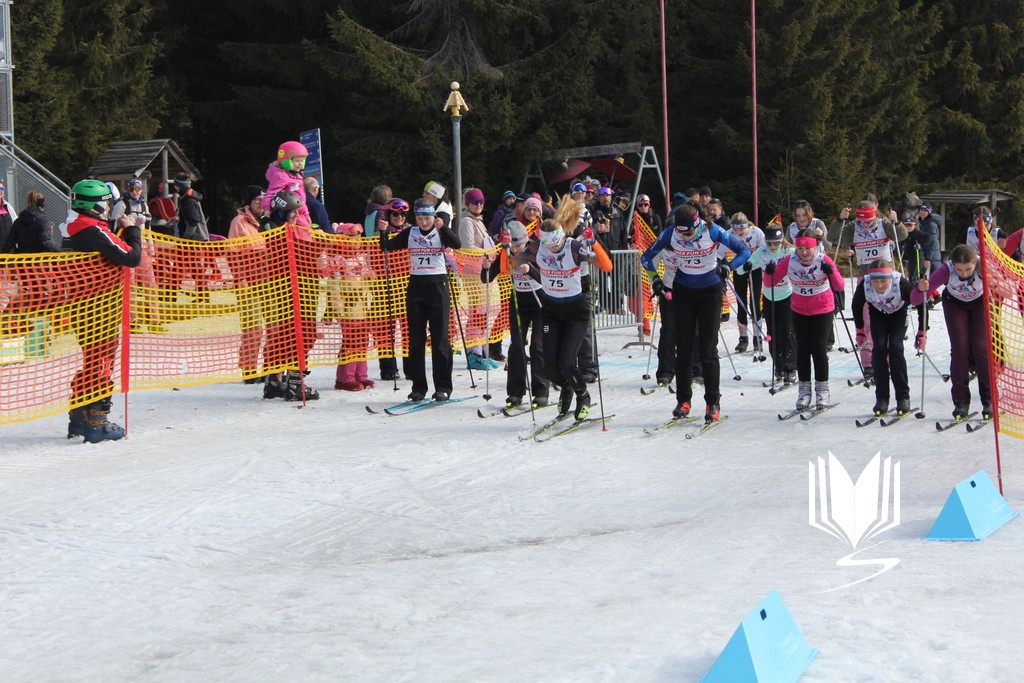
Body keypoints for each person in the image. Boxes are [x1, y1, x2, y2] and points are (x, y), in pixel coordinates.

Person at [641, 201, 751, 422]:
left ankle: (712, 402)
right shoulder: (670, 233)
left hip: (710, 293)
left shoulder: (712, 230)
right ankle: (683, 400)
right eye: (681, 234)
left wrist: (728, 267)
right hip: (683, 293)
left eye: (689, 233)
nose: (685, 238)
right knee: (683, 349)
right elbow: (646, 258)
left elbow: (744, 251)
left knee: (708, 350)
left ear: (697, 224)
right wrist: (656, 280)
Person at [65, 179, 143, 442]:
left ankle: (79, 418)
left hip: (83, 306)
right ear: (96, 205)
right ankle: (97, 422)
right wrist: (133, 230)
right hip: (99, 308)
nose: (109, 207)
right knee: (101, 363)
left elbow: (110, 248)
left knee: (91, 361)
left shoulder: (75, 228)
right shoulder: (92, 231)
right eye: (106, 203)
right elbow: (131, 257)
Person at [516, 197, 595, 420]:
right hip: (552, 311)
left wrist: (594, 243)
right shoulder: (538, 245)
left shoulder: (573, 246)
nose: (551, 249)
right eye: (547, 246)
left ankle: (583, 395)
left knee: (567, 362)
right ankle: (566, 387)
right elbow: (517, 261)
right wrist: (514, 259)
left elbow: (604, 261)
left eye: (554, 245)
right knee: (550, 367)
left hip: (575, 310)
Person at [379, 198, 462, 402]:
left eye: (427, 218)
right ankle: (418, 387)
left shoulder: (439, 231)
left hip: (438, 286)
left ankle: (443, 386)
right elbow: (387, 247)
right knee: (416, 341)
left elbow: (457, 244)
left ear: (434, 217)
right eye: (420, 218)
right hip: (416, 287)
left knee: (440, 340)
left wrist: (444, 229)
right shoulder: (411, 233)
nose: (424, 222)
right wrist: (382, 231)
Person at [763, 228, 845, 410]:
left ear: (815, 246)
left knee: (818, 349)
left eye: (808, 248)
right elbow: (770, 283)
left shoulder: (823, 259)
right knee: (802, 350)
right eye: (800, 248)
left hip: (822, 309)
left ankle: (822, 390)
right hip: (799, 310)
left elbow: (839, 285)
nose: (804, 252)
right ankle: (804, 391)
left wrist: (831, 272)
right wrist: (769, 272)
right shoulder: (789, 260)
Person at [912, 244, 992, 420]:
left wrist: (997, 281)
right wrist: (920, 288)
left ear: (975, 263)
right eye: (959, 270)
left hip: (980, 303)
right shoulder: (945, 270)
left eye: (968, 269)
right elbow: (915, 299)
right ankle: (961, 401)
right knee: (959, 349)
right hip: (955, 304)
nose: (964, 274)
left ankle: (989, 400)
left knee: (981, 348)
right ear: (953, 265)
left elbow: (1006, 291)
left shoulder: (983, 266)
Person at [259, 190, 321, 402]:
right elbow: (295, 255)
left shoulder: (280, 228)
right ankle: (295, 382)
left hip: (294, 289)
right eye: (291, 212)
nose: (296, 215)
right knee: (302, 334)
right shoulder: (278, 232)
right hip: (295, 291)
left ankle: (274, 379)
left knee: (286, 335)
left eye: (297, 211)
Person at [836, 200, 906, 378]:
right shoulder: (853, 227)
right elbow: (834, 238)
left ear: (874, 214)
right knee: (867, 321)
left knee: (889, 318)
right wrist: (839, 220)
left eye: (868, 221)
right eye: (862, 221)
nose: (865, 225)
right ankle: (869, 362)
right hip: (866, 278)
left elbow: (901, 235)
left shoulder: (884, 224)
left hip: (887, 277)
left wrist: (896, 221)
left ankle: (888, 360)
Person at [486, 219, 549, 408]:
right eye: (512, 246)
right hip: (518, 302)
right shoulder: (505, 253)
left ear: (526, 241)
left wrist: (530, 270)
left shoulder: (536, 251)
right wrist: (486, 266)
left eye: (519, 245)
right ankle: (515, 392)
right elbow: (487, 278)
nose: (515, 250)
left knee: (537, 346)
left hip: (539, 301)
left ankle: (541, 392)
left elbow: (546, 279)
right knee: (516, 347)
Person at [852, 260, 913, 416]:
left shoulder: (901, 283)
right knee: (878, 349)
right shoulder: (865, 284)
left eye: (883, 281)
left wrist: (922, 331)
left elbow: (920, 303)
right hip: (878, 313)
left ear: (890, 277)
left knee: (895, 348)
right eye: (875, 281)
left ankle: (903, 397)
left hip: (899, 314)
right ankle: (882, 398)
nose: (879, 285)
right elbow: (856, 305)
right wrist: (860, 330)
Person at [228, 185, 268, 383]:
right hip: (248, 281)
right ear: (249, 202)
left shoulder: (267, 221)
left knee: (273, 326)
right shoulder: (239, 222)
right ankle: (249, 369)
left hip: (267, 279)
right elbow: (232, 253)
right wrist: (240, 277)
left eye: (263, 199)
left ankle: (271, 367)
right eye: (257, 200)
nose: (261, 203)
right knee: (253, 327)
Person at [457, 187, 500, 371]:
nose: (479, 205)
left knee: (484, 314)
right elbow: (467, 247)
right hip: (474, 273)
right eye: (475, 202)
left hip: (484, 272)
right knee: (477, 314)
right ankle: (473, 354)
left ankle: (481, 351)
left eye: (481, 201)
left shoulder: (478, 221)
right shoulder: (467, 221)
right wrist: (488, 252)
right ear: (468, 204)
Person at [377, 198, 411, 382]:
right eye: (396, 214)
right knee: (386, 329)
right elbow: (374, 258)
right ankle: (388, 368)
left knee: (409, 329)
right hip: (386, 286)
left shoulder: (410, 232)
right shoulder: (381, 234)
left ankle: (411, 367)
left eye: (402, 215)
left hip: (407, 285)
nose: (399, 218)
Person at [758, 226, 797, 384]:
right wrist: (739, 266)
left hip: (787, 295)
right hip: (769, 297)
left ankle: (790, 367)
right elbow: (745, 262)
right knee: (772, 333)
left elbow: (806, 258)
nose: (773, 246)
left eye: (776, 243)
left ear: (782, 241)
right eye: (769, 243)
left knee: (787, 331)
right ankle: (779, 366)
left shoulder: (790, 251)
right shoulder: (762, 252)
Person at [727, 212, 765, 354]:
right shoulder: (729, 234)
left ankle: (757, 337)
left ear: (747, 225)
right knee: (741, 303)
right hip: (739, 270)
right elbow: (720, 250)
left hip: (755, 269)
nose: (739, 232)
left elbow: (764, 249)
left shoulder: (756, 232)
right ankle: (743, 338)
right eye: (735, 229)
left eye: (742, 229)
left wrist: (755, 261)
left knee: (754, 303)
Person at [263, 141, 311, 228]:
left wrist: (306, 214)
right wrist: (267, 207)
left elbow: (301, 199)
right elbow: (271, 192)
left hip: (299, 211)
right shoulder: (282, 176)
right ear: (287, 161)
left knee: (307, 229)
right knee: (305, 230)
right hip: (290, 212)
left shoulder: (297, 176)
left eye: (302, 161)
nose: (300, 164)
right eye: (297, 161)